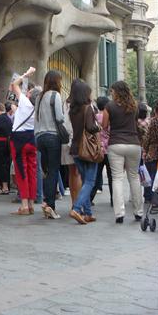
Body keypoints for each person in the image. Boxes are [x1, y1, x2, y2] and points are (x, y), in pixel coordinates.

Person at [102, 80, 143, 224]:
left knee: (117, 178)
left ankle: (119, 213)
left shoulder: (109, 106)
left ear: (117, 92)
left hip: (116, 144)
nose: (111, 93)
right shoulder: (134, 106)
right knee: (134, 177)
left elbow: (104, 126)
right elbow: (136, 123)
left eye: (112, 91)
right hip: (134, 144)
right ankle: (138, 212)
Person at [68, 78, 99, 225]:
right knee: (90, 181)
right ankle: (76, 208)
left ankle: (88, 213)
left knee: (86, 180)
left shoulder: (72, 109)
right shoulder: (88, 108)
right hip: (87, 149)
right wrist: (99, 127)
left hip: (75, 148)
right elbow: (91, 128)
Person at [8, 68, 39, 216]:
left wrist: (26, 74)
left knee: (21, 171)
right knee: (32, 171)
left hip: (19, 139)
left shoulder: (25, 102)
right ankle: (32, 204)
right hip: (32, 139)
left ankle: (25, 205)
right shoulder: (38, 108)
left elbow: (15, 84)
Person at [34, 70, 64, 219]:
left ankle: (47, 203)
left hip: (40, 137)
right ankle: (50, 205)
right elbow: (59, 117)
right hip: (53, 136)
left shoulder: (39, 97)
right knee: (53, 171)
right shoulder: (55, 95)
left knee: (45, 171)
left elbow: (36, 119)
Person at [90, 96, 112, 206]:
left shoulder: (95, 117)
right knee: (111, 176)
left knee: (95, 175)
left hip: (98, 149)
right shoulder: (111, 117)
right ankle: (114, 200)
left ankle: (89, 198)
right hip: (110, 149)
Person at [142, 99, 158, 202]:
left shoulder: (153, 121)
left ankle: (149, 197)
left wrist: (144, 150)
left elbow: (147, 137)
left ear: (155, 110)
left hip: (153, 151)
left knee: (150, 175)